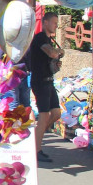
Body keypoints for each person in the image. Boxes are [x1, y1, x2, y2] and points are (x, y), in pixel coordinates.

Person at [28, 12, 64, 162]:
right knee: (44, 115)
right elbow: (52, 53)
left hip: (49, 80)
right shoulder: (40, 38)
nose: (56, 26)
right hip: (40, 81)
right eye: (54, 22)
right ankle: (36, 150)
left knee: (56, 113)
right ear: (45, 23)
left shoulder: (50, 39)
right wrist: (57, 53)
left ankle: (38, 136)